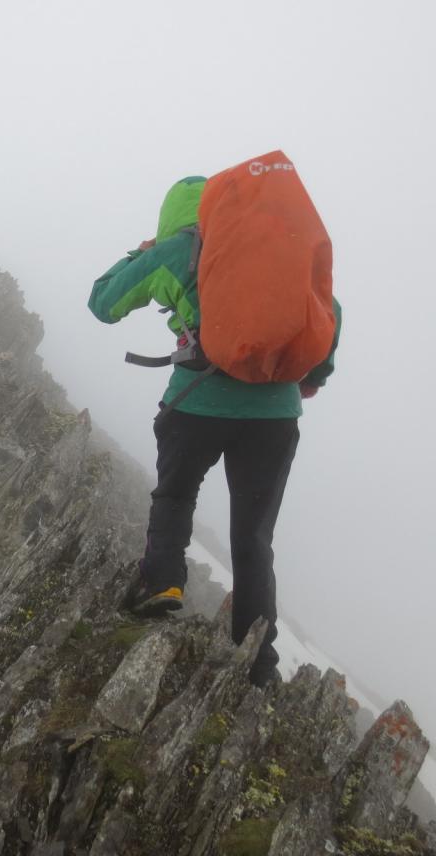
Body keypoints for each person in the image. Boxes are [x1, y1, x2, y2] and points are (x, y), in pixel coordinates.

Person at [87, 175, 341, 687]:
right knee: (253, 537)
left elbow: (103, 303)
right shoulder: (278, 251)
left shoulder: (177, 249)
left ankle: (162, 582)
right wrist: (311, 378)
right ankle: (257, 661)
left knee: (176, 495)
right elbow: (329, 312)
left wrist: (143, 254)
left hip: (196, 403)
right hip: (274, 416)